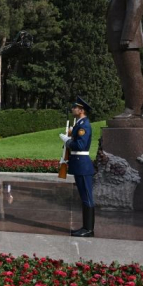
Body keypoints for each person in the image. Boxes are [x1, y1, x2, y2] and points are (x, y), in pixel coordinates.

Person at [107, 0, 143, 119]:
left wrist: (127, 36)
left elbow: (135, 10)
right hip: (118, 39)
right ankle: (130, 107)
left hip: (127, 39)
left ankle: (135, 109)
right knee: (124, 75)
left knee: (132, 74)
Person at [59, 96, 95, 237]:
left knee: (87, 196)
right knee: (84, 196)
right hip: (79, 163)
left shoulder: (84, 125)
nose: (73, 109)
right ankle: (86, 227)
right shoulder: (80, 123)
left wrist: (68, 141)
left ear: (81, 110)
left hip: (83, 164)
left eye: (75, 107)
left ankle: (88, 229)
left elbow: (80, 145)